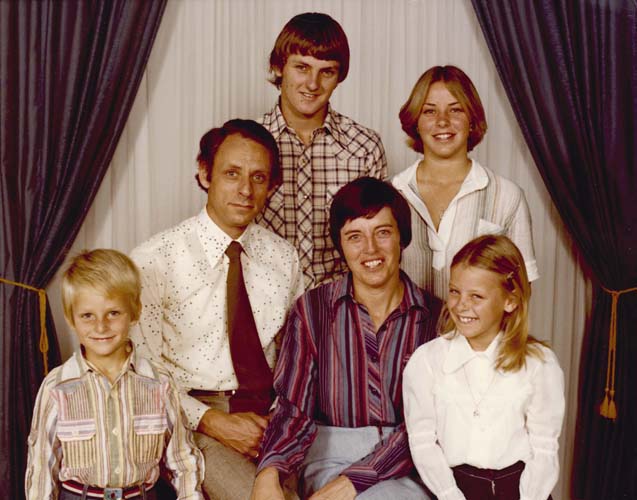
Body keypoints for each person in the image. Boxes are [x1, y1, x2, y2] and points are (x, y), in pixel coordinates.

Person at [130, 119, 304, 500]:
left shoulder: (283, 259)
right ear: (205, 174)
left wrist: (284, 425)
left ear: (272, 186)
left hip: (271, 418)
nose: (245, 190)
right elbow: (142, 373)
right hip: (196, 418)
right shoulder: (155, 260)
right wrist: (212, 421)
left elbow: (298, 359)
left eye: (259, 178)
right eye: (231, 174)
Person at [251, 177, 442, 500]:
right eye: (355, 236)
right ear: (340, 246)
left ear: (402, 238)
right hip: (329, 455)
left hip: (411, 461)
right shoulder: (312, 311)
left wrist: (355, 481)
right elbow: (293, 409)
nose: (370, 249)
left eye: (383, 232)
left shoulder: (436, 319)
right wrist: (269, 471)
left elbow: (435, 423)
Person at [25, 249, 204, 500]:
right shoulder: (57, 386)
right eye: (87, 316)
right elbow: (43, 467)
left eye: (113, 313)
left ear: (135, 312)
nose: (101, 326)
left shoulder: (159, 382)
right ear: (70, 318)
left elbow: (182, 458)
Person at [403, 235, 565, 500]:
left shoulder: (540, 363)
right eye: (454, 291)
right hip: (454, 490)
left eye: (476, 296)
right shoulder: (427, 361)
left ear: (510, 301)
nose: (460, 305)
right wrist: (449, 495)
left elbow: (544, 447)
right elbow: (422, 442)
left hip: (523, 490)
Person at [258, 12, 388, 288]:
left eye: (326, 71)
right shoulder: (248, 146)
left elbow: (377, 243)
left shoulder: (364, 147)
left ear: (339, 76)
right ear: (279, 67)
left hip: (342, 309)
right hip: (264, 307)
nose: (313, 84)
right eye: (302, 68)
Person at [392, 65, 539, 300]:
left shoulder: (507, 196)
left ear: (472, 120)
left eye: (456, 110)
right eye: (429, 111)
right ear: (415, 122)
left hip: (476, 336)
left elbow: (520, 290)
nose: (443, 121)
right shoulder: (392, 194)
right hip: (407, 337)